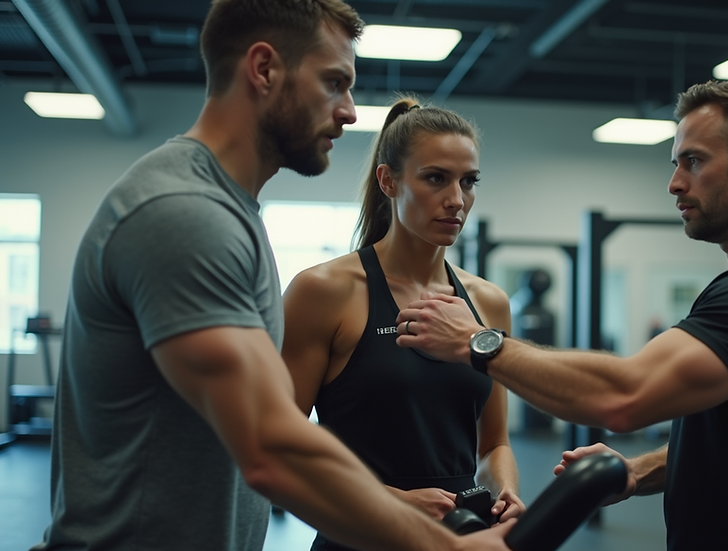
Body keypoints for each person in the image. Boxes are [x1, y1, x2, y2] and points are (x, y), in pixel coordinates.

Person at [33, 1, 510, 550]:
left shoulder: (232, 215)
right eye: (334, 83)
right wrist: (443, 543)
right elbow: (270, 443)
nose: (350, 112)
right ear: (264, 70)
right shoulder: (184, 212)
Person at [394, 80, 728, 551]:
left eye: (694, 161)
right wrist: (637, 471)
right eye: (676, 163)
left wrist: (478, 343)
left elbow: (624, 395)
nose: (675, 182)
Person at [281, 98, 525, 551]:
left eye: (468, 182)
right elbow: (280, 449)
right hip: (359, 535)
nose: (457, 200)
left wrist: (505, 489)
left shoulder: (489, 302)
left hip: (462, 535)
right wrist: (391, 501)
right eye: (435, 178)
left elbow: (493, 444)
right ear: (388, 180)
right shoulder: (323, 291)